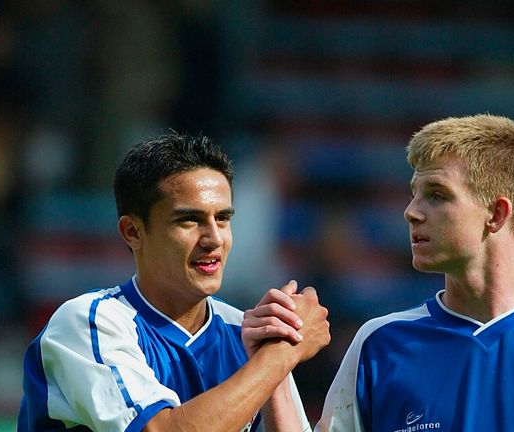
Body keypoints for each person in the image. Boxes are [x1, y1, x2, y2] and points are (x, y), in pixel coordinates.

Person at [246, 114, 514, 431]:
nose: (411, 212)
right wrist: (275, 372)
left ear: (496, 214)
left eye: (437, 195)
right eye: (413, 194)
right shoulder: (381, 344)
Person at [18, 131, 330, 431]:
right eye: (189, 220)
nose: (213, 239)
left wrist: (276, 360)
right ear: (133, 232)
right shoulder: (88, 323)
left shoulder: (249, 334)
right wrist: (280, 358)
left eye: (222, 218)